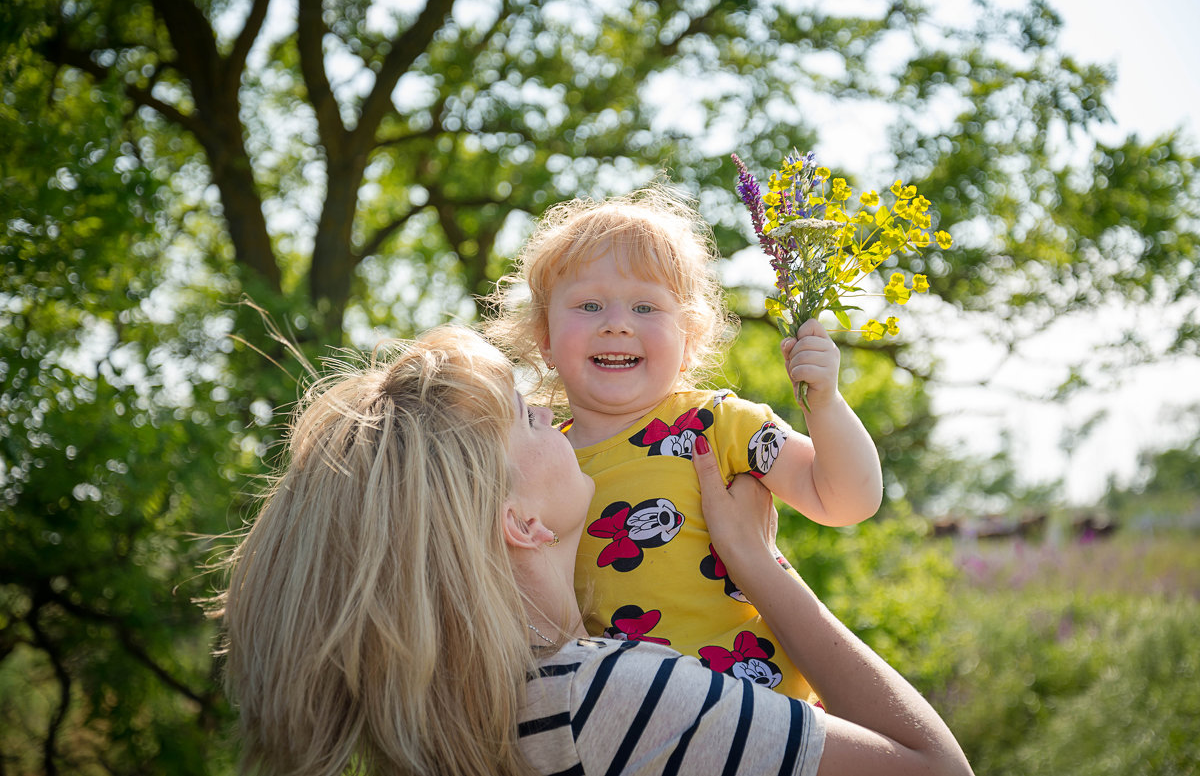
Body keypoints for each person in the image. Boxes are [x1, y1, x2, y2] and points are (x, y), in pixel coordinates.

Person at [215, 325, 972, 776]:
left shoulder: (500, 703)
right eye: (525, 416)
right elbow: (937, 771)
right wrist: (757, 564)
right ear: (520, 521)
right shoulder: (607, 695)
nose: (549, 410)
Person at [484, 186, 883, 700]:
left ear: (690, 337)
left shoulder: (717, 423)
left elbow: (846, 499)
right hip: (639, 725)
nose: (617, 324)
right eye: (589, 305)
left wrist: (825, 405)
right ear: (543, 336)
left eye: (646, 307)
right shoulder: (540, 464)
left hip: (766, 712)